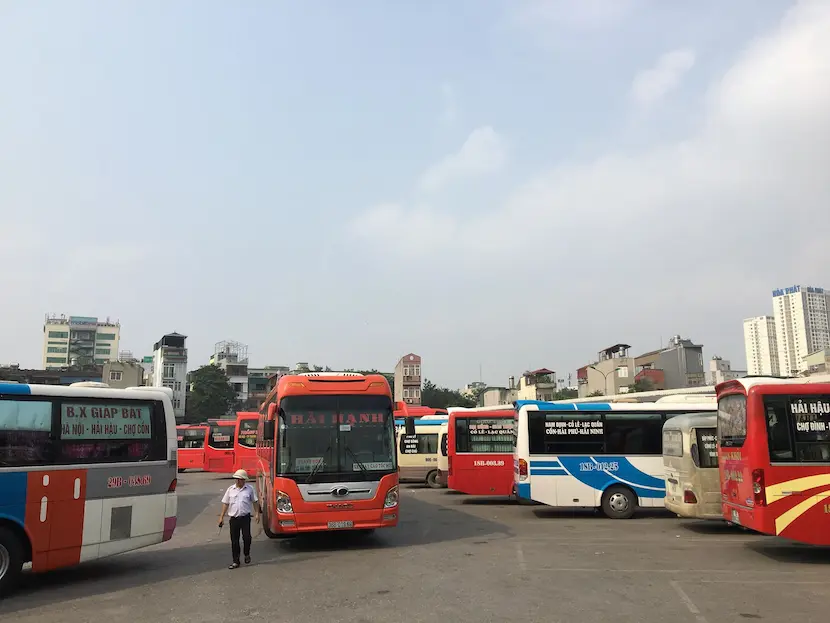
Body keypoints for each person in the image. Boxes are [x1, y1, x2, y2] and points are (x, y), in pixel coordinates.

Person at [218, 469, 261, 569]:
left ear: (244, 480)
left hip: (245, 518)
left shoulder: (249, 489)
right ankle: (236, 561)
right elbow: (225, 503)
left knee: (247, 537)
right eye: (237, 479)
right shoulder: (230, 489)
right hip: (234, 519)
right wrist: (221, 517)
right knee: (234, 541)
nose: (238, 481)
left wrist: (257, 513)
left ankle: (246, 553)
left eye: (240, 479)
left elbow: (255, 502)